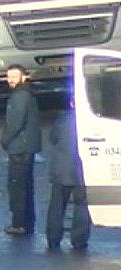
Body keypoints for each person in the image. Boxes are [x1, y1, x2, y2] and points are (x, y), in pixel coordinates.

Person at [1, 64, 41, 236]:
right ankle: (27, 222)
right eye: (8, 76)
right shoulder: (27, 94)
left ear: (24, 77)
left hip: (20, 147)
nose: (10, 80)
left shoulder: (20, 96)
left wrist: (5, 140)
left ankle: (19, 223)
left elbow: (15, 123)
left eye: (14, 77)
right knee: (26, 186)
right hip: (27, 146)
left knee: (17, 187)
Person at [46, 97, 91, 250]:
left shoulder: (63, 119)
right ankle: (79, 240)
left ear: (71, 103)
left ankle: (53, 238)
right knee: (82, 205)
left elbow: (53, 138)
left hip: (61, 168)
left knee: (57, 206)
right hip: (83, 169)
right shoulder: (89, 120)